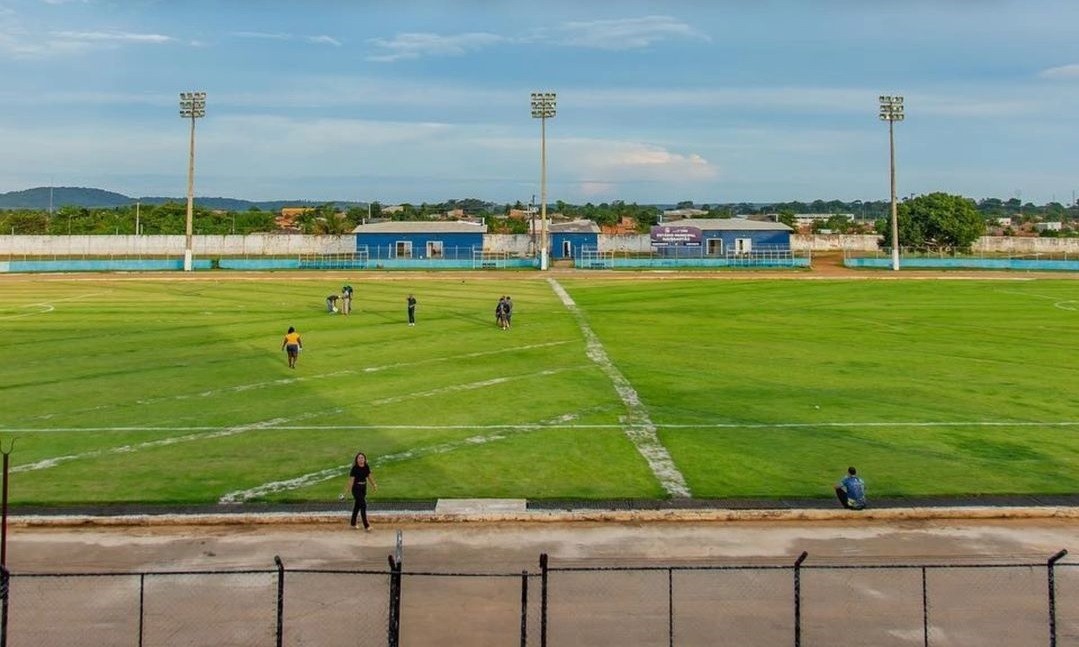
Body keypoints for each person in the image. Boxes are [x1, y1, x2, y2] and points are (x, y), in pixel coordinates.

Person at [340, 452, 377, 530]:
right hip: (356, 489)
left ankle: (353, 523)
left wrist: (374, 485)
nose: (361, 459)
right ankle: (366, 525)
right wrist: (347, 491)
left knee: (357, 506)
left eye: (362, 458)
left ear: (364, 459)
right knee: (363, 505)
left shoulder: (366, 466)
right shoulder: (355, 468)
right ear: (356, 460)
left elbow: (369, 476)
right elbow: (351, 480)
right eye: (359, 458)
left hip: (363, 488)